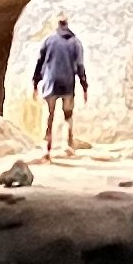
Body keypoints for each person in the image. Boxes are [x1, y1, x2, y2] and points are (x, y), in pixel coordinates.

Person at [31, 12, 88, 159]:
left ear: (57, 25)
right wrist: (84, 86)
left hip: (51, 82)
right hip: (68, 83)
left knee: (50, 114)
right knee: (68, 115)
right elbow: (80, 66)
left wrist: (35, 82)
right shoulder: (76, 42)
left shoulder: (49, 41)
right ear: (67, 25)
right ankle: (68, 145)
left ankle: (47, 149)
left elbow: (40, 62)